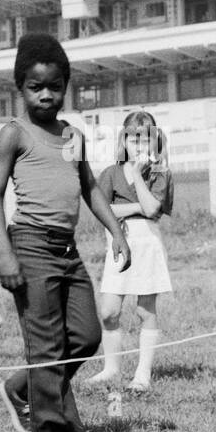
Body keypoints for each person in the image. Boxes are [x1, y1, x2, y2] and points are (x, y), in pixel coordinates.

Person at [0, 35, 131, 432]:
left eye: (54, 86)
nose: (46, 94)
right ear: (20, 87)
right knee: (46, 344)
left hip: (66, 251)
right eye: (35, 86)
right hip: (29, 247)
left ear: (66, 84)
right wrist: (4, 252)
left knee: (86, 335)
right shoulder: (14, 134)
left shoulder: (72, 134)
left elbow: (88, 186)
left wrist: (116, 230)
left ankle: (23, 389)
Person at [86, 110, 175, 394]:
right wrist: (135, 207)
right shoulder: (110, 173)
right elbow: (102, 210)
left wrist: (137, 175)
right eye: (133, 139)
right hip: (118, 240)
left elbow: (152, 210)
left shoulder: (159, 172)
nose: (138, 145)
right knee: (109, 311)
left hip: (147, 241)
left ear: (154, 141)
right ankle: (111, 367)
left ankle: (142, 373)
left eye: (144, 140)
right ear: (124, 140)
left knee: (144, 310)